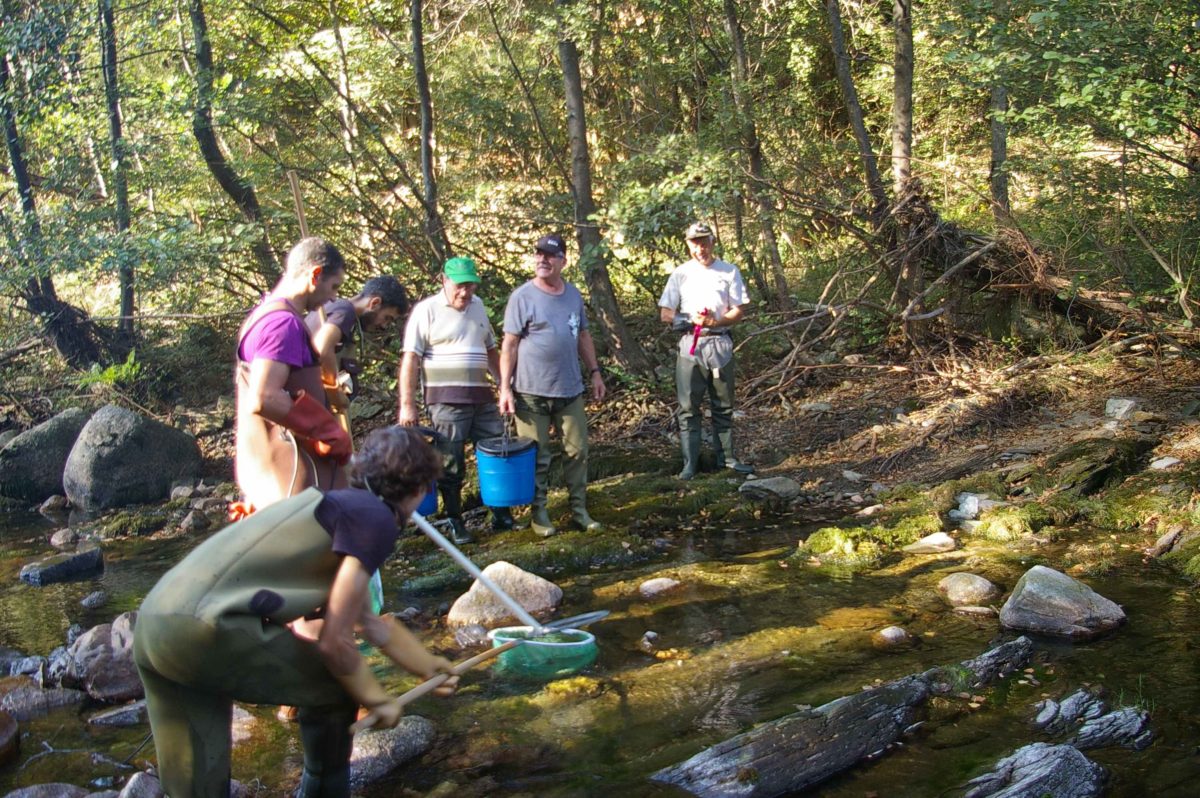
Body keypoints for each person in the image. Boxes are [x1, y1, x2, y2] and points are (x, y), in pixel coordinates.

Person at [134, 426, 457, 798]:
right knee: (337, 687)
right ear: (417, 487)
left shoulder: (331, 506)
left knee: (196, 786)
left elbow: (369, 622)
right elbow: (336, 642)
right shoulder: (376, 519)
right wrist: (376, 698)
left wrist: (427, 664)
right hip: (207, 630)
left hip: (155, 624)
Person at [398, 257, 514, 545]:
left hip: (481, 397)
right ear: (445, 281)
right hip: (445, 401)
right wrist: (407, 404)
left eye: (470, 286)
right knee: (451, 461)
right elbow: (411, 358)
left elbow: (490, 350)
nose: (465, 292)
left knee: (496, 449)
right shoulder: (426, 311)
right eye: (460, 286)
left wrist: (504, 386)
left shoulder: (478, 306)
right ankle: (455, 520)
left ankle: (500, 512)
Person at [234, 237, 352, 514]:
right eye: (333, 287)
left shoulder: (263, 315)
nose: (334, 297)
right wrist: (327, 431)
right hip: (292, 484)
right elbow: (264, 397)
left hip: (274, 482)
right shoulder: (281, 324)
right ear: (315, 275)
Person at [498, 234, 606, 537]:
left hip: (570, 388)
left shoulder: (572, 295)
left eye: (550, 255)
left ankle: (579, 510)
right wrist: (505, 388)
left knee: (577, 451)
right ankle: (539, 513)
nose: (542, 260)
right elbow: (509, 344)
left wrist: (595, 372)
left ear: (563, 261)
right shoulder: (522, 297)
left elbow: (583, 335)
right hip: (531, 392)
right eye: (539, 254)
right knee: (537, 455)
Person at [658, 222, 753, 480]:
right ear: (688, 244)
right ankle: (690, 464)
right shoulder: (680, 273)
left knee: (723, 404)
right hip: (691, 344)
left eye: (704, 241)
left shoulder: (729, 271)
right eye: (694, 242)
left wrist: (716, 321)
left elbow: (738, 310)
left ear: (712, 241)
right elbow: (666, 313)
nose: (700, 248)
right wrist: (689, 319)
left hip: (720, 343)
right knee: (689, 407)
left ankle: (728, 459)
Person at [306, 274, 410, 414]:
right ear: (374, 303)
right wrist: (336, 393)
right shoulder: (345, 312)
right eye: (387, 318)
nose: (385, 326)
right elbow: (321, 348)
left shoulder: (335, 308)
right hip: (311, 406)